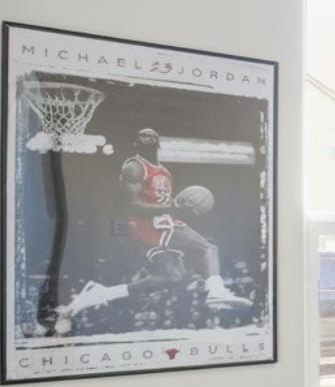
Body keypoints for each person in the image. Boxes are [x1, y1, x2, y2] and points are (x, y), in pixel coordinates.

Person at [56, 128, 250, 321]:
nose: (147, 138)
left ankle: (100, 294)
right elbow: (132, 205)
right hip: (148, 223)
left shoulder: (164, 171)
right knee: (208, 248)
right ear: (136, 143)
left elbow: (160, 201)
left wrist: (175, 204)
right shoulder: (134, 167)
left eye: (151, 135)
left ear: (158, 142)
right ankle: (216, 292)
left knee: (172, 277)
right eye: (142, 135)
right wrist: (173, 209)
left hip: (159, 222)